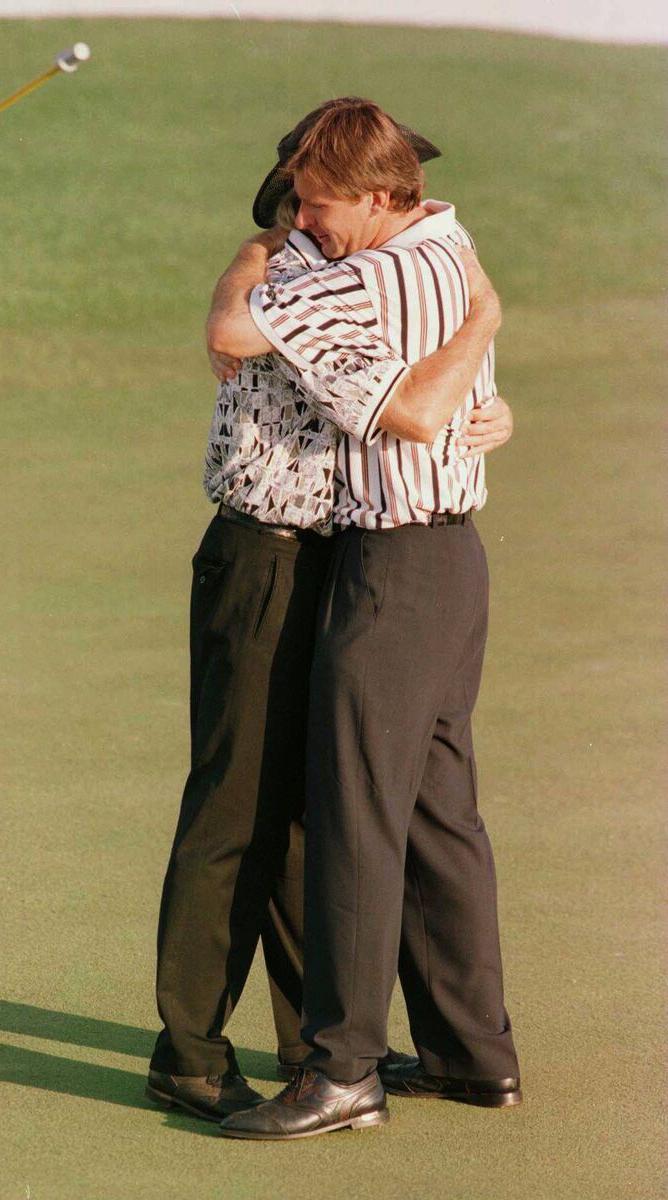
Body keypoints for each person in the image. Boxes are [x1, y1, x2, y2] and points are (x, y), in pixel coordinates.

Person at [146, 101, 513, 1126]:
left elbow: (429, 397)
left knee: (327, 810)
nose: (304, 218)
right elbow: (243, 323)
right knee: (239, 808)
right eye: (296, 203)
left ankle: (328, 1049)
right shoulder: (323, 263)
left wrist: (488, 390)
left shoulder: (376, 264)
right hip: (267, 553)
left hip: (353, 558)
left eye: (319, 201)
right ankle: (192, 1052)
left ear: (381, 196)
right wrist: (484, 323)